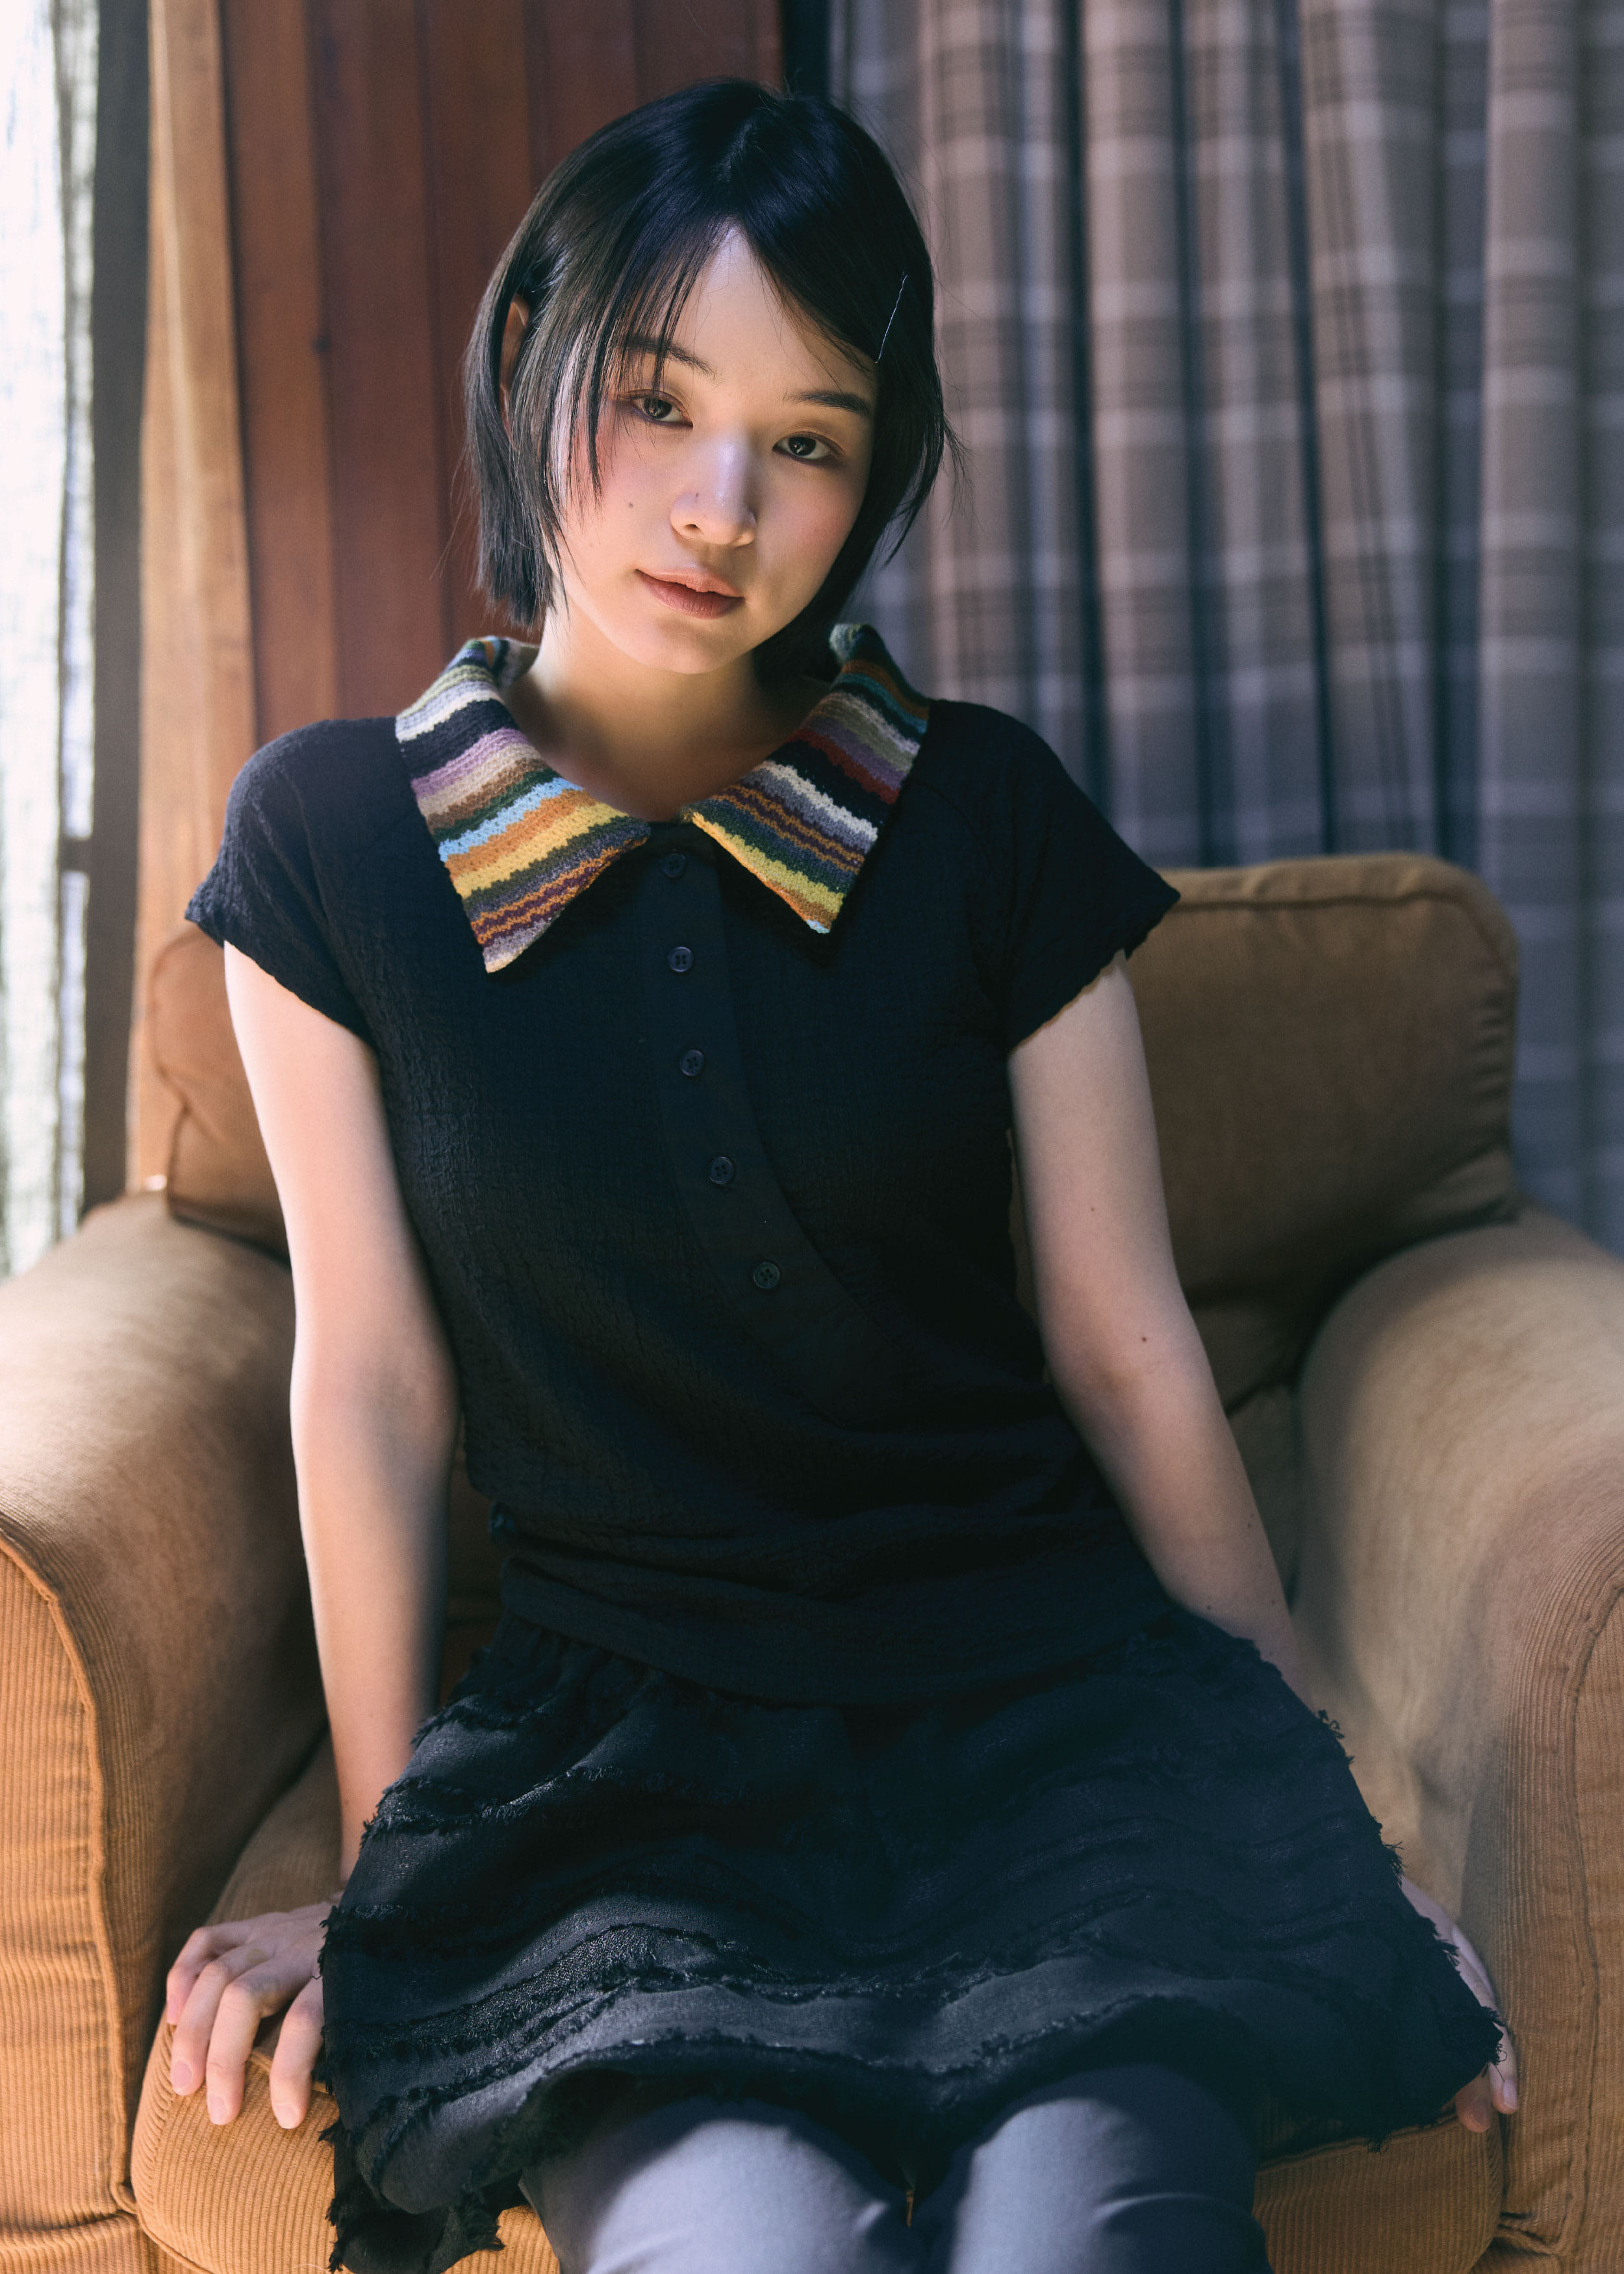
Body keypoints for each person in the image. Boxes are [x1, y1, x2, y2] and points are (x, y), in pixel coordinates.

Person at [164, 78, 1513, 2274]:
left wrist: (1321, 1838)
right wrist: (388, 1868)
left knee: (1098, 2239)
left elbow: (1126, 1346)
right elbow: (371, 1386)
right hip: (620, 1783)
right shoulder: (332, 844)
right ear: (527, 359)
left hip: (1044, 1714)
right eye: (659, 400)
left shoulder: (978, 814)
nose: (724, 507)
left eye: (807, 439)